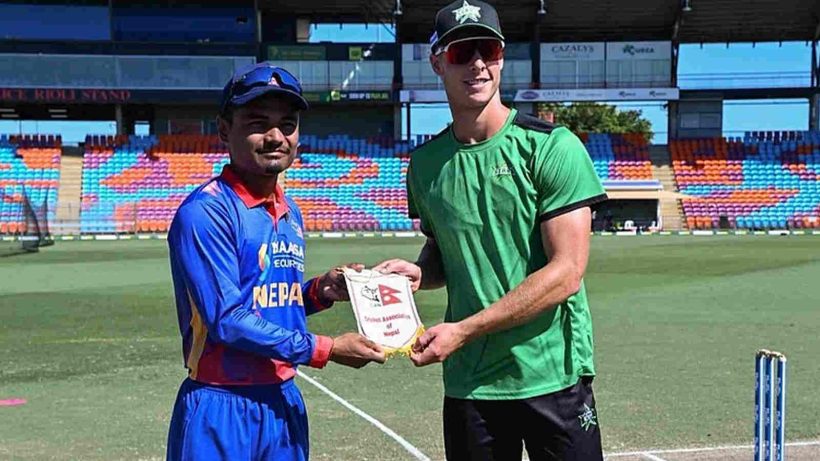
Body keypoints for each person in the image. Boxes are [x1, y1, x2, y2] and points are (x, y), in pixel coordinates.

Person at [374, 1, 608, 459]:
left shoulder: (552, 147)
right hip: (471, 385)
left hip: (551, 376)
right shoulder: (425, 165)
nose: (478, 63)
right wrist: (420, 274)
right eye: (463, 53)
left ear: (502, 56)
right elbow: (446, 251)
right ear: (438, 61)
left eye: (489, 50)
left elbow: (566, 273)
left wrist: (464, 330)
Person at [166, 62, 385, 461]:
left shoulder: (290, 212)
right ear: (223, 130)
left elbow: (268, 303)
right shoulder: (205, 213)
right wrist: (327, 348)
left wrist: (320, 292)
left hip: (283, 400)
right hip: (221, 405)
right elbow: (228, 321)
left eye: (287, 124)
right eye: (257, 122)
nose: (275, 137)